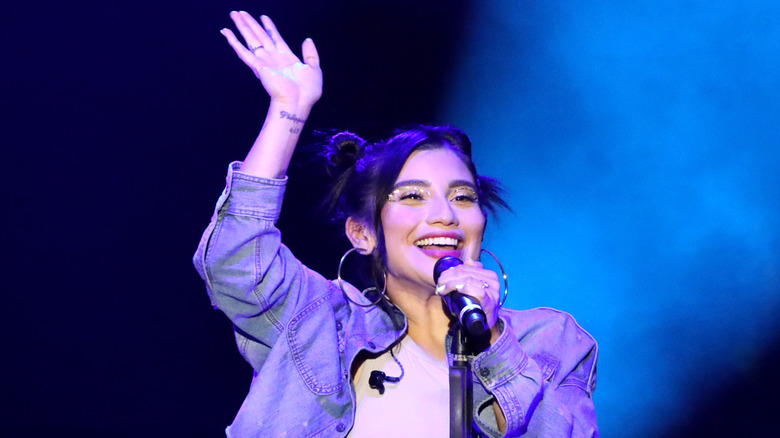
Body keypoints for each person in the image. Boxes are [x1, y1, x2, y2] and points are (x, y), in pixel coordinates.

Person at [193, 11, 599, 437]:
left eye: (463, 197)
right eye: (412, 196)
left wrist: (492, 338)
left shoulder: (550, 341)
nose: (445, 214)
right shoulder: (320, 322)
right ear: (363, 233)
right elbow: (234, 261)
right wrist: (287, 111)